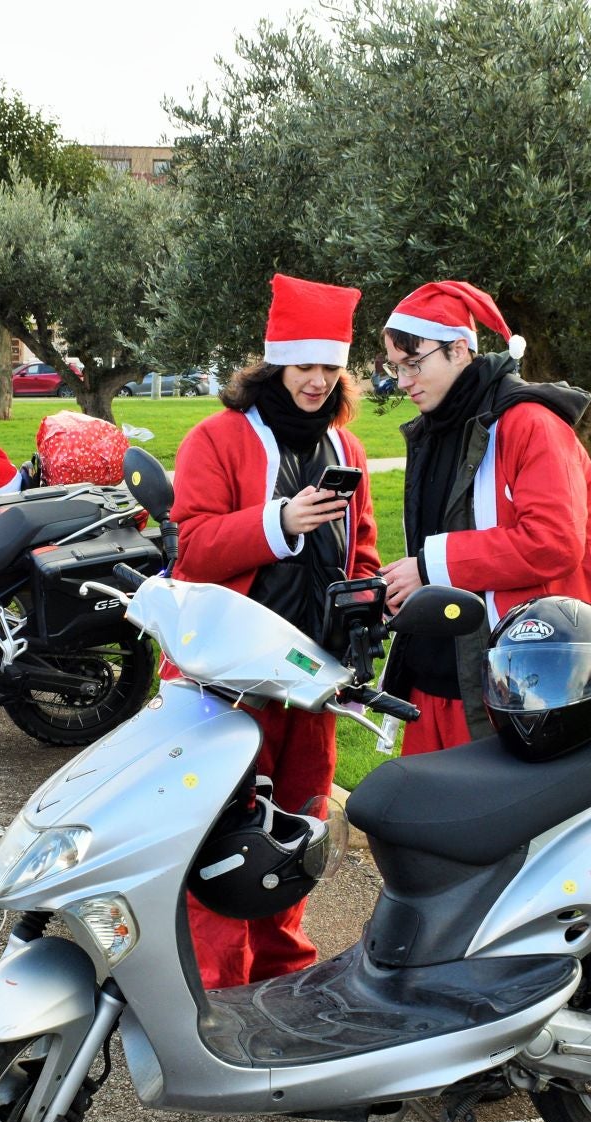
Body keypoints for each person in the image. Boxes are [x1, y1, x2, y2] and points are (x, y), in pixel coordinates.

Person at [169, 273, 381, 989]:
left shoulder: (349, 450)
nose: (318, 381)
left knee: (297, 827)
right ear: (275, 365)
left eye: (331, 368)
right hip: (229, 681)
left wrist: (368, 604)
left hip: (312, 679)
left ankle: (281, 970)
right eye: (305, 366)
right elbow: (193, 549)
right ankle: (215, 983)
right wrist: (278, 522)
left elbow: (363, 549)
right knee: (226, 836)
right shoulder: (216, 438)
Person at [375, 279, 591, 755]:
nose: (402, 382)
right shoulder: (435, 426)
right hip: (444, 670)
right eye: (395, 367)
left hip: (525, 677)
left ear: (458, 350)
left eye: (413, 363)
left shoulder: (532, 423)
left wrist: (429, 568)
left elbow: (554, 542)